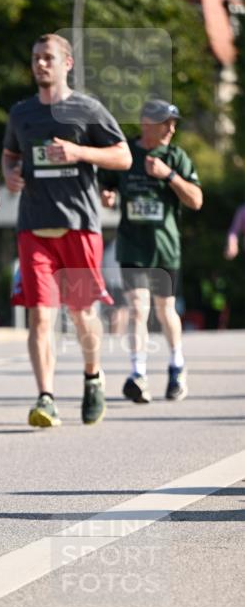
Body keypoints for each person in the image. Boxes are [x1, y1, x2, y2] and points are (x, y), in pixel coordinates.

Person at [2, 33, 131, 428]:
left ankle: (93, 377)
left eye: (48, 58)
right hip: (34, 227)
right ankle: (46, 397)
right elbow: (10, 154)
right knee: (41, 317)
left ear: (67, 63)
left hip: (79, 226)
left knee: (80, 313)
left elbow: (123, 156)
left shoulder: (87, 108)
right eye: (36, 57)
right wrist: (9, 174)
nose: (41, 64)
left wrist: (79, 152)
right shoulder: (21, 113)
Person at [101, 99, 202, 402]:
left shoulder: (175, 156)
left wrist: (168, 175)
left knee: (165, 309)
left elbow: (196, 200)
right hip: (133, 246)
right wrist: (107, 196)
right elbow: (107, 186)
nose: (171, 128)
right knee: (137, 309)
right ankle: (138, 373)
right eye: (165, 122)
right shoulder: (126, 154)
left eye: (174, 123)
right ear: (147, 123)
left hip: (164, 248)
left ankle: (176, 366)